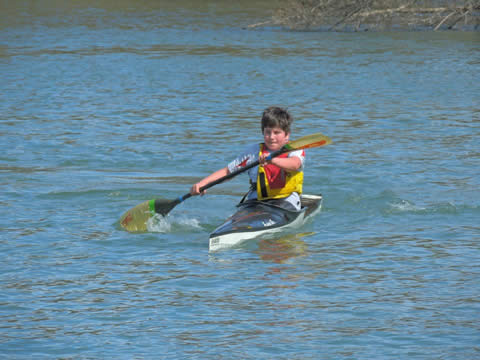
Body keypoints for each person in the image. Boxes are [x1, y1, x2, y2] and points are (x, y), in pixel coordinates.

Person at [190, 106, 305, 211]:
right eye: (267, 132)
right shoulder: (253, 152)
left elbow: (294, 164)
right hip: (255, 201)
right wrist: (202, 184)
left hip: (285, 200)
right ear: (262, 132)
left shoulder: (294, 150)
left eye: (277, 132)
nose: (271, 137)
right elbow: (227, 172)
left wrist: (273, 160)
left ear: (287, 135)